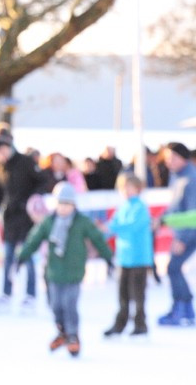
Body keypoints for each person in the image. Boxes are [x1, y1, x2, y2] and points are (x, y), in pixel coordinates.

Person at [16, 183, 114, 356]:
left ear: (74, 205)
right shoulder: (49, 222)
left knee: (70, 305)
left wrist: (108, 257)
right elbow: (34, 239)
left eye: (67, 204)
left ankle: (73, 335)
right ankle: (63, 333)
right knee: (55, 306)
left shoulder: (81, 222)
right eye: (61, 204)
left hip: (74, 272)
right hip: (54, 272)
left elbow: (97, 238)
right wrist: (22, 256)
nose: (64, 208)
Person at [0, 133, 46, 312]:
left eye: (4, 148)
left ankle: (31, 294)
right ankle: (6, 292)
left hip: (26, 218)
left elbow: (42, 181)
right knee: (8, 257)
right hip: (10, 218)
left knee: (28, 255)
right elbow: (0, 191)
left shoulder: (25, 162)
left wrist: (30, 201)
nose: (2, 152)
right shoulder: (1, 167)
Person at [103, 175, 153, 337]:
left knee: (138, 293)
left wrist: (113, 228)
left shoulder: (140, 207)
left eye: (128, 187)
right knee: (122, 293)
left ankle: (140, 323)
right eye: (122, 187)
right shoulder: (123, 207)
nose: (125, 191)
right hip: (124, 258)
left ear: (137, 188)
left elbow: (131, 226)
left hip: (138, 258)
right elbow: (113, 225)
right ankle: (120, 323)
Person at [157, 142, 196, 326]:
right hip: (181, 231)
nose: (168, 162)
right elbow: (175, 206)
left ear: (183, 157)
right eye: (166, 159)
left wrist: (182, 239)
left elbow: (192, 214)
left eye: (172, 158)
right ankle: (184, 308)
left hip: (189, 233)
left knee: (173, 267)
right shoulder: (177, 177)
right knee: (174, 268)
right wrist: (161, 219)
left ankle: (181, 307)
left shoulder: (191, 179)